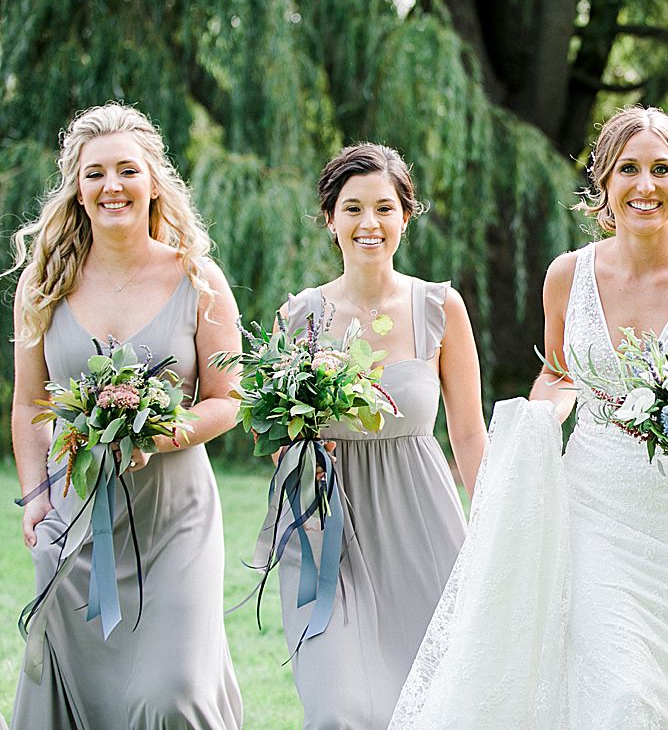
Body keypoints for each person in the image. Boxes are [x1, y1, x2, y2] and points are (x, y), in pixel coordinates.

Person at [393, 105, 668, 729]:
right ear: (604, 183)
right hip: (593, 508)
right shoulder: (568, 276)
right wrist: (540, 418)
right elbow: (559, 373)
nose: (645, 185)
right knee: (617, 697)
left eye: (661, 169)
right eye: (628, 169)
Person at [8, 102, 243, 728]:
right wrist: (35, 495)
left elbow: (228, 399)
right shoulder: (44, 285)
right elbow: (30, 403)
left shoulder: (200, 280)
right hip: (74, 518)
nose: (112, 186)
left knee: (170, 695)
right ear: (77, 190)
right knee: (80, 692)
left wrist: (162, 433)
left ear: (153, 181)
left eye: (127, 170)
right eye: (95, 174)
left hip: (175, 521)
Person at [273, 143, 486, 728]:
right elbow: (275, 431)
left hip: (420, 521)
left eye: (384, 208)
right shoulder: (299, 318)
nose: (369, 223)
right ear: (330, 219)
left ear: (406, 217)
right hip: (322, 527)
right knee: (339, 707)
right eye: (353, 208)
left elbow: (467, 432)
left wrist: (493, 518)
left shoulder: (440, 307)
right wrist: (296, 451)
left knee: (434, 702)